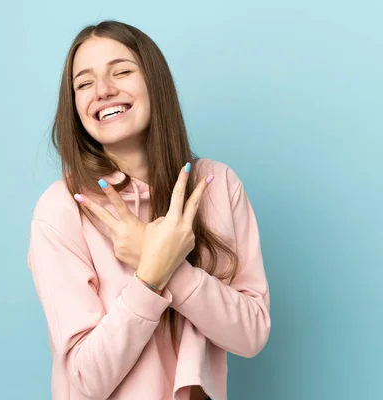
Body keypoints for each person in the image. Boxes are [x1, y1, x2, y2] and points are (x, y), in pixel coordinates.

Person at [27, 20, 271, 400]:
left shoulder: (216, 185)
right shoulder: (62, 208)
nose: (104, 91)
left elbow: (252, 334)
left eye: (121, 71)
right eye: (84, 83)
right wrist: (151, 275)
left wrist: (167, 264)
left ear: (154, 81)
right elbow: (86, 379)